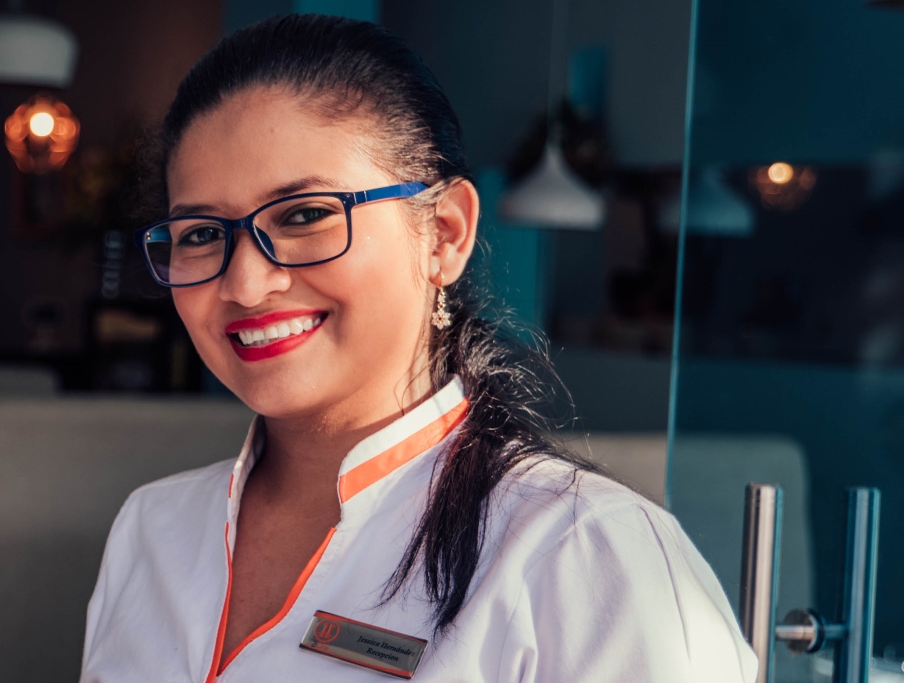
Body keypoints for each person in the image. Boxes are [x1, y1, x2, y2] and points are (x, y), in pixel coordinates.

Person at [80, 14, 757, 683]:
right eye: (200, 233)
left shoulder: (586, 553)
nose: (247, 284)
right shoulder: (153, 528)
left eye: (306, 215)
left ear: (444, 235)